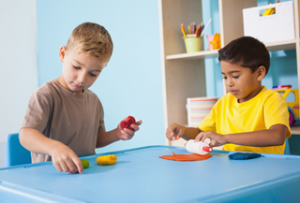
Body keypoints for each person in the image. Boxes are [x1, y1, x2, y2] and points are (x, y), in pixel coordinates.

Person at [20, 22, 142, 174]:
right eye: (77, 67)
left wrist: (116, 134)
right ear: (63, 54)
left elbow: (94, 140)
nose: (82, 79)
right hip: (51, 178)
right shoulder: (45, 96)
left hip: (86, 176)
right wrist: (54, 147)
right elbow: (26, 135)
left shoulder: (94, 101)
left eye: (93, 74)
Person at [166, 36, 291, 154]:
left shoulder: (272, 100)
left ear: (259, 73)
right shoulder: (224, 103)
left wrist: (226, 138)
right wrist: (183, 130)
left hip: (267, 169)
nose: (229, 83)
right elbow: (200, 132)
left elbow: (277, 136)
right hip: (233, 168)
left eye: (235, 76)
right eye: (224, 77)